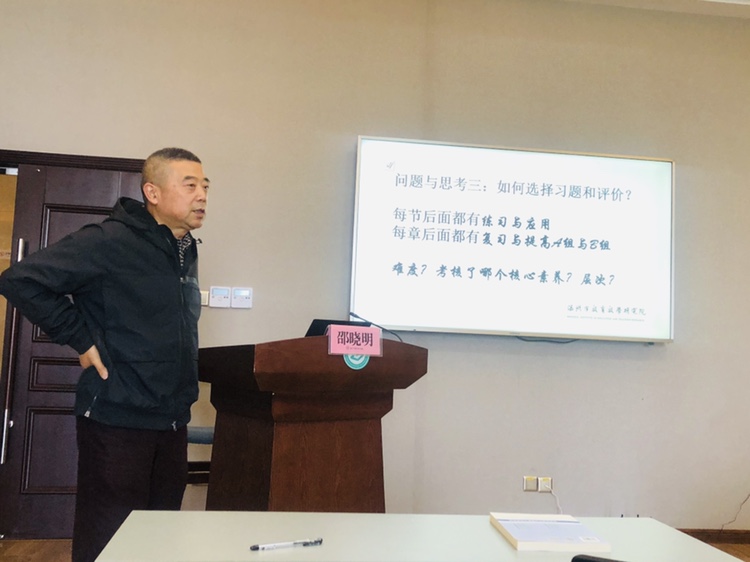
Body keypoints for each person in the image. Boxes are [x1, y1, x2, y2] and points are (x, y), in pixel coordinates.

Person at [0, 147, 209, 562]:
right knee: (109, 539)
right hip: (116, 418)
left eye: (205, 186)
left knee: (158, 540)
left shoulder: (184, 249)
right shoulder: (109, 240)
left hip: (171, 420)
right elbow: (20, 280)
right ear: (152, 192)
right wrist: (81, 339)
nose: (201, 195)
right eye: (190, 185)